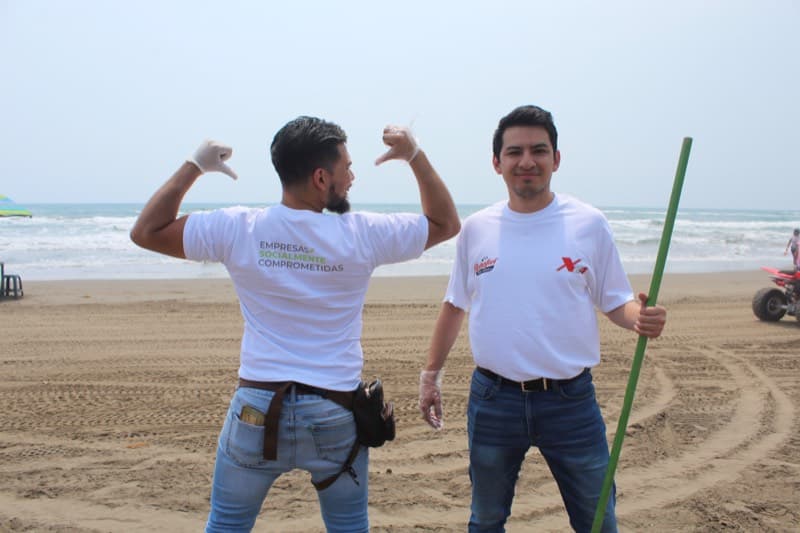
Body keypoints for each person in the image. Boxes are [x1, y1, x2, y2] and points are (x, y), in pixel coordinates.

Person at [130, 116, 460, 533]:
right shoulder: (362, 233)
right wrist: (414, 155)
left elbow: (146, 231)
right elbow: (446, 223)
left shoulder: (239, 227)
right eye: (347, 169)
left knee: (227, 525)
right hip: (334, 412)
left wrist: (195, 165)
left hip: (256, 409)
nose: (352, 178)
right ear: (321, 178)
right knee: (349, 527)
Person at [418, 105, 667, 532]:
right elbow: (455, 304)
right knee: (486, 519)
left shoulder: (589, 224)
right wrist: (430, 376)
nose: (527, 161)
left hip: (571, 402)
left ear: (556, 158)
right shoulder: (476, 229)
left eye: (539, 150)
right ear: (497, 162)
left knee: (597, 520)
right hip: (494, 400)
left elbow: (615, 301)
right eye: (514, 152)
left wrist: (640, 317)